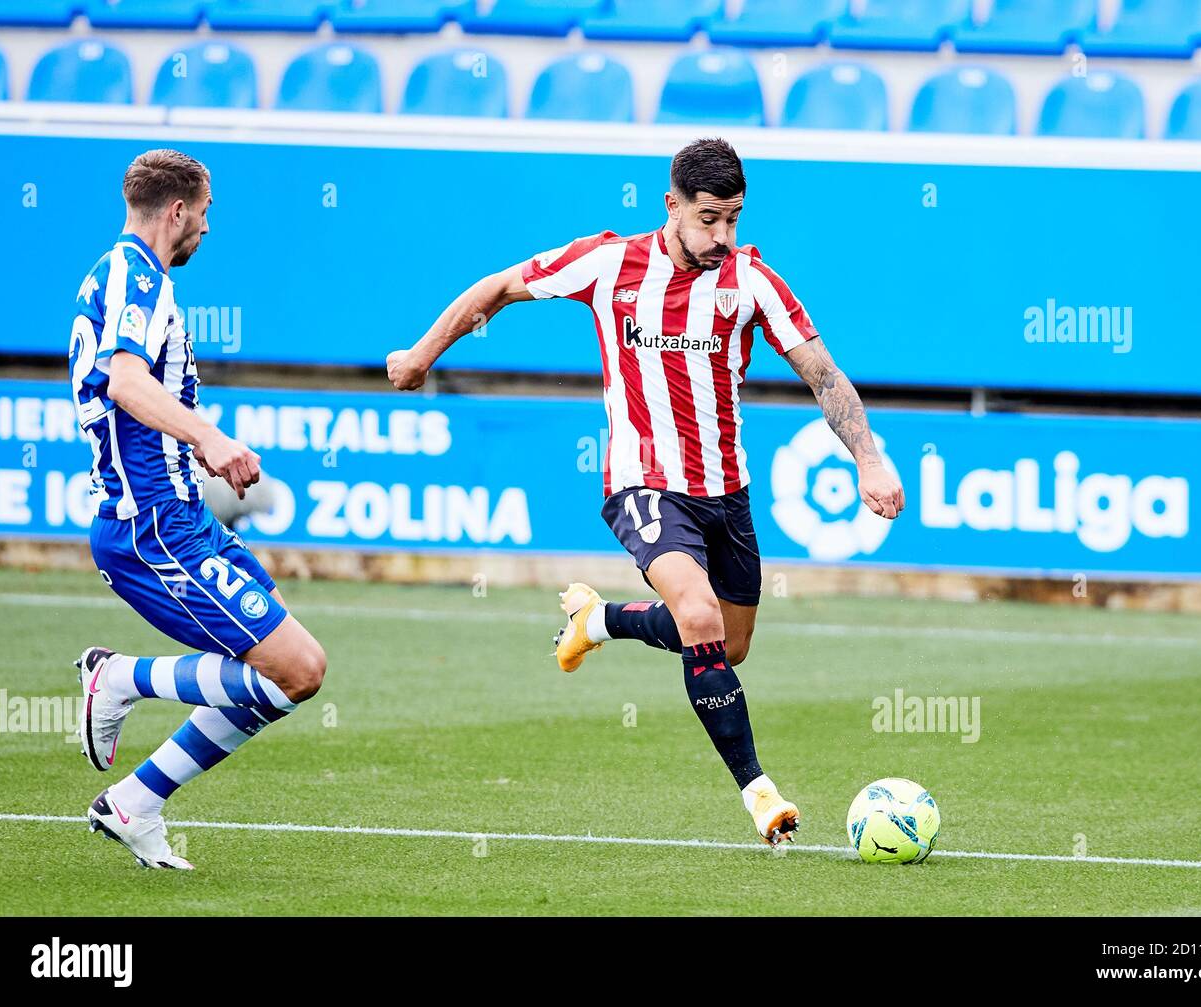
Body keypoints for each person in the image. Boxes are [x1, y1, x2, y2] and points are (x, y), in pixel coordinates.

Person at [386, 138, 903, 845]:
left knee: (730, 642)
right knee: (697, 614)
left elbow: (823, 372)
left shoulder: (751, 280)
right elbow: (498, 288)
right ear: (673, 205)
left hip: (727, 491)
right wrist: (421, 354)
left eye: (735, 219)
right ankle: (760, 795)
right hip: (643, 483)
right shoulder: (608, 262)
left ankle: (598, 622)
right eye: (710, 218)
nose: (723, 235)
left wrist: (868, 460)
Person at [68, 149, 327, 869]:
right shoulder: (132, 275)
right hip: (152, 523)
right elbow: (123, 380)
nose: (207, 230)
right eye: (205, 214)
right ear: (178, 210)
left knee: (278, 660)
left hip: (183, 517)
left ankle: (135, 803)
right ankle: (116, 677)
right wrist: (211, 437)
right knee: (298, 668)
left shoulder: (133, 279)